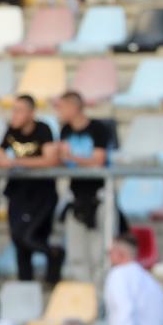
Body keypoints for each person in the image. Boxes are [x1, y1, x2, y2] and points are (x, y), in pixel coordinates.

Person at [0, 94, 63, 285]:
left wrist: (15, 162)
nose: (14, 115)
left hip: (42, 195)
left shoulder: (43, 129)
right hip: (18, 193)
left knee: (30, 237)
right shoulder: (11, 131)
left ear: (31, 113)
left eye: (19, 110)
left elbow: (50, 160)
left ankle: (54, 256)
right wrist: (8, 161)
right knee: (18, 241)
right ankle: (26, 285)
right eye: (13, 110)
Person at [52, 92, 124, 237]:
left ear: (73, 107)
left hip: (99, 194)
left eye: (62, 107)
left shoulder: (98, 128)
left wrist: (71, 157)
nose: (58, 112)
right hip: (75, 194)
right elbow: (63, 159)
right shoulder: (66, 130)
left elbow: (99, 160)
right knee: (76, 252)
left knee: (99, 249)